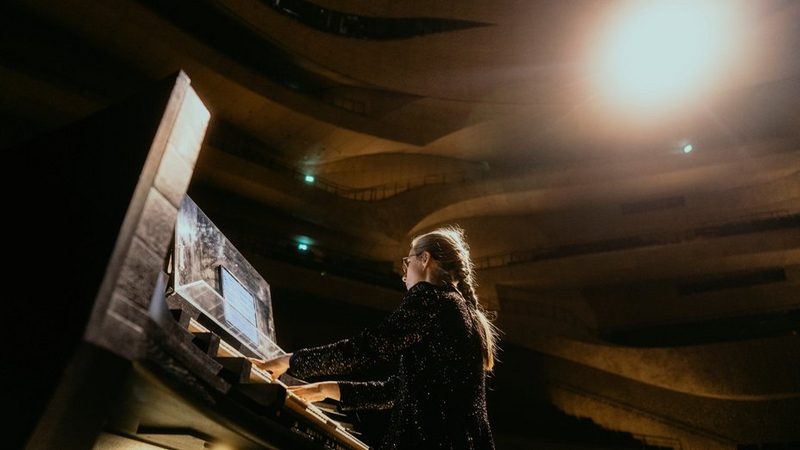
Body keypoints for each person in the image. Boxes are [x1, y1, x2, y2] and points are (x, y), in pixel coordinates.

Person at [251, 225, 499, 450]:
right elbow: (399, 390)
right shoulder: (464, 313)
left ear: (425, 259)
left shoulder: (430, 298)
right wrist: (325, 388)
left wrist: (291, 361)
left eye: (407, 262)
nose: (404, 276)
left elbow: (367, 348)